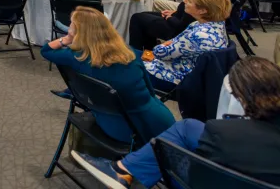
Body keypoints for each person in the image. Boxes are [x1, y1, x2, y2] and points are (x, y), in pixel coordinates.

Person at [73, 56, 280, 189]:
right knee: (188, 127)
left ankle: (124, 170)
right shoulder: (225, 132)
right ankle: (124, 170)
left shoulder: (222, 131)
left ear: (239, 96)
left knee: (178, 146)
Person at [43, 7, 175, 142]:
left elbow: (46, 50)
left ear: (78, 32)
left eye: (71, 24)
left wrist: (66, 39)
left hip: (111, 125)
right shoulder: (130, 55)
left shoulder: (76, 57)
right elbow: (151, 92)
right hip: (152, 127)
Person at [142, 0, 230, 92]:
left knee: (122, 64)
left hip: (175, 77)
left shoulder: (199, 35)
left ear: (202, 10)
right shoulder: (217, 25)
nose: (184, 1)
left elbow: (160, 53)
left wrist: (163, 45)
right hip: (190, 71)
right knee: (130, 55)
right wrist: (169, 44)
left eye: (189, 0)